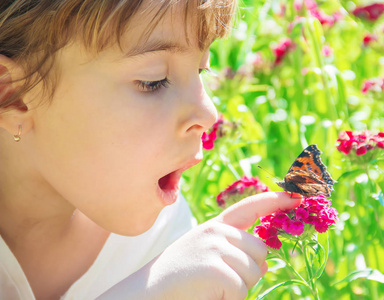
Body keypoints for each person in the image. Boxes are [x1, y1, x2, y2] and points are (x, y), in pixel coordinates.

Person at [0, 1, 302, 299]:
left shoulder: (163, 236)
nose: (209, 113)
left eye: (202, 69)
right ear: (14, 96)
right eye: (153, 81)